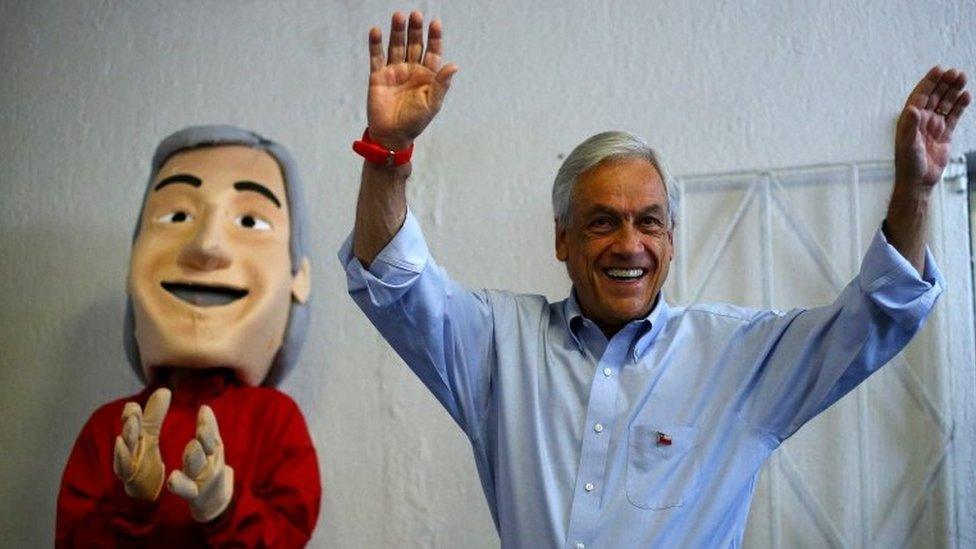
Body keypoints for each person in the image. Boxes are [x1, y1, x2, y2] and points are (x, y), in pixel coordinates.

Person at [340, 10, 971, 548]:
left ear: (670, 242)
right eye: (601, 223)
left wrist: (915, 190)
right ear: (561, 238)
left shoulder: (738, 357)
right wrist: (388, 153)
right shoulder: (498, 346)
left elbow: (881, 314)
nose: (629, 245)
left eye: (649, 222)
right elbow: (391, 281)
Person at [57, 126, 320, 546]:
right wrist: (131, 503)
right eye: (177, 216)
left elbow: (290, 533)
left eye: (250, 220)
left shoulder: (275, 422)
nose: (206, 246)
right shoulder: (110, 428)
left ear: (298, 278)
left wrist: (225, 510)